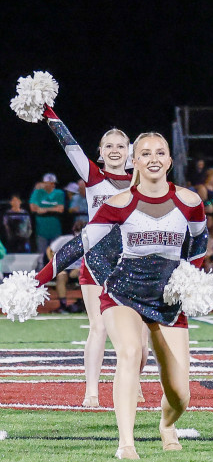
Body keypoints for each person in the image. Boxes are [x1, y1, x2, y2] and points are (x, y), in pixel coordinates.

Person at [30, 132, 208, 458]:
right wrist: (37, 281)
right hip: (122, 292)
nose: (153, 158)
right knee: (128, 351)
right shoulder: (119, 203)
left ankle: (166, 425)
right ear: (135, 161)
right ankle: (126, 443)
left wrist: (190, 276)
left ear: (169, 160)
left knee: (180, 391)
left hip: (167, 298)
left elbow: (199, 241)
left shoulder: (190, 201)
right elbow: (79, 245)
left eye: (160, 152)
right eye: (145, 153)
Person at [41, 108, 151, 406]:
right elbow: (69, 145)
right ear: (100, 153)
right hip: (96, 260)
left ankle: (135, 382)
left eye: (121, 145)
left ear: (130, 153)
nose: (115, 150)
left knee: (141, 331)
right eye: (109, 146)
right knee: (99, 326)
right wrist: (48, 110)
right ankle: (91, 392)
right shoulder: (93, 176)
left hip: (132, 261)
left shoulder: (143, 182)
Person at [30, 173, 66, 256]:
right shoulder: (38, 192)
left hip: (55, 230)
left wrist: (45, 209)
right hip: (41, 230)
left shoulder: (59, 193)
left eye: (53, 183)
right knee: (41, 255)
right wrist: (53, 208)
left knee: (56, 254)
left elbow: (60, 209)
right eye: (50, 183)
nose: (52, 185)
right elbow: (33, 207)